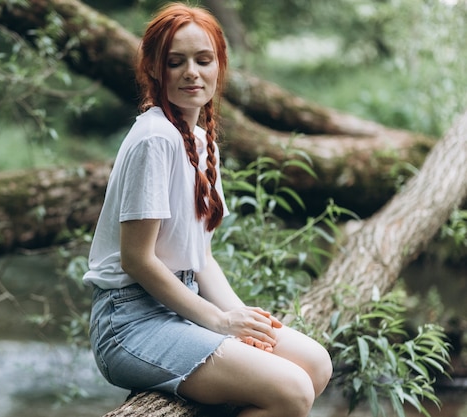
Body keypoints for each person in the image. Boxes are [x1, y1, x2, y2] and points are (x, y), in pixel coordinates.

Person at [83, 3, 332, 416]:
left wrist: (238, 318)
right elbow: (137, 260)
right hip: (129, 323)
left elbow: (201, 259)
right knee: (292, 392)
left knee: (316, 366)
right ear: (155, 70)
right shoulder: (154, 138)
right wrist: (217, 323)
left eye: (203, 60)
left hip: (182, 305)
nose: (191, 73)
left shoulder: (201, 141)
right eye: (175, 62)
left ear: (220, 65)